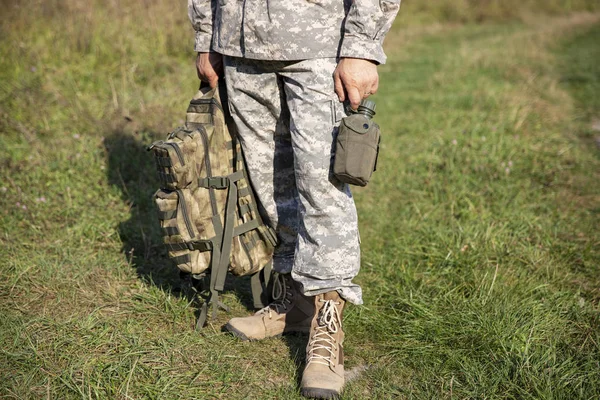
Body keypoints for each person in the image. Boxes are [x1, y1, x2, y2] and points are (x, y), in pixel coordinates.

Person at [188, 1, 400, 398]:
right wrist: (207, 36)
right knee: (269, 183)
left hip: (318, 41)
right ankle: (296, 303)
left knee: (323, 186)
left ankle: (327, 326)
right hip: (239, 45)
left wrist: (361, 46)